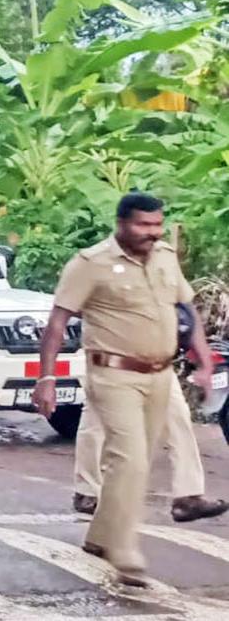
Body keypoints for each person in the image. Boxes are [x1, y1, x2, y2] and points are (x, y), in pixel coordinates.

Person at [35, 192, 217, 586]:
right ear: (120, 223)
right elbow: (56, 323)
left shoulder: (166, 256)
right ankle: (124, 550)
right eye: (143, 225)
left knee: (135, 459)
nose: (151, 233)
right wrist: (46, 378)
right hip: (112, 375)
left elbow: (186, 310)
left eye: (156, 225)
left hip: (160, 374)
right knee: (130, 459)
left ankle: (99, 536)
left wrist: (204, 361)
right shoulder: (90, 264)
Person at [73, 385, 228, 522]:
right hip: (108, 360)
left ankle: (188, 496)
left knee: (178, 416)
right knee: (96, 421)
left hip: (156, 361)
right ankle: (87, 491)